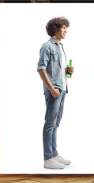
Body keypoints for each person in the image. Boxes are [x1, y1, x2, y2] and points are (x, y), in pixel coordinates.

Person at [37, 17, 74, 169]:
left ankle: (54, 154)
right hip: (55, 90)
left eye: (66, 28)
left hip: (63, 88)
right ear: (55, 29)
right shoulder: (47, 46)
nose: (66, 30)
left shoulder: (60, 47)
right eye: (64, 28)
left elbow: (58, 70)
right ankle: (47, 158)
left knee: (56, 124)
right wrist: (52, 88)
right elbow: (41, 68)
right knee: (50, 123)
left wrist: (68, 72)